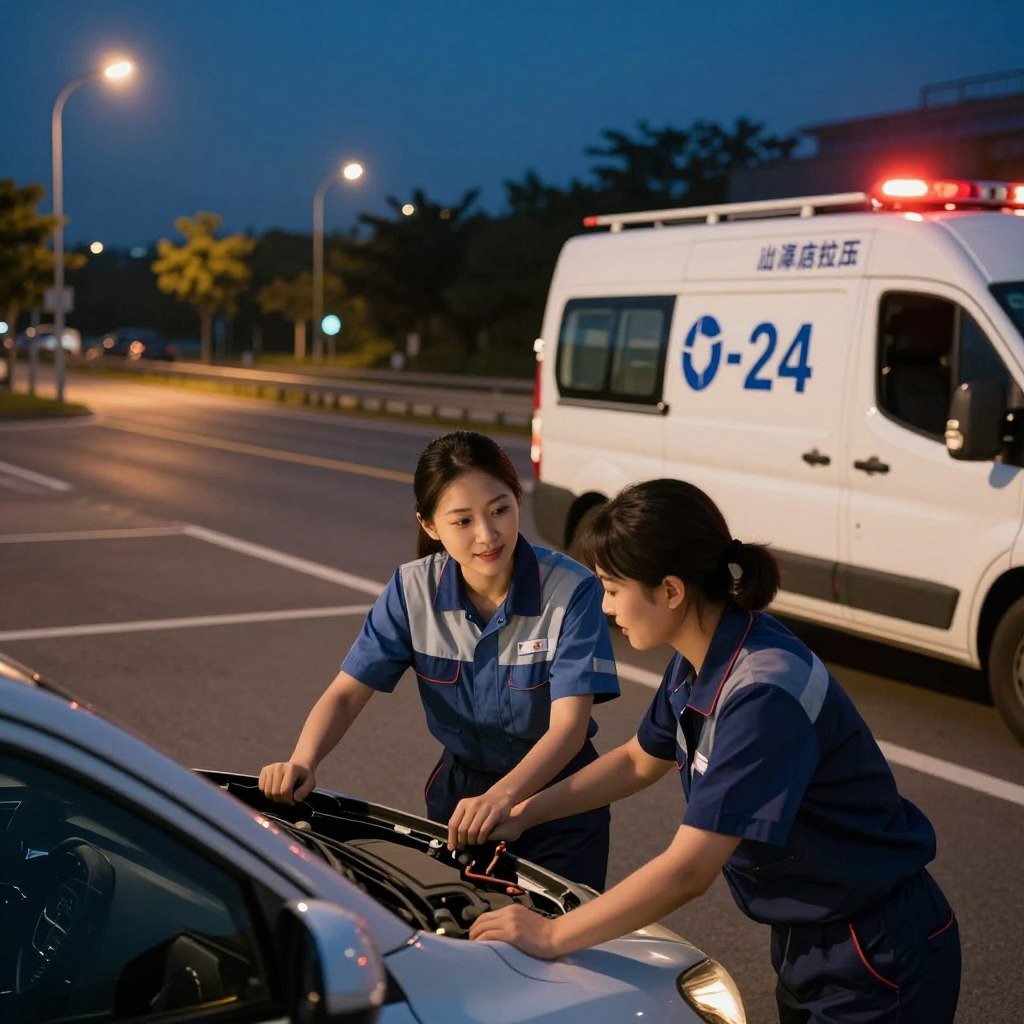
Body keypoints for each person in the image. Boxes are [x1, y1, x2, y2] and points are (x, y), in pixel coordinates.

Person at [468, 478, 961, 1024]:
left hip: (875, 947)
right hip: (815, 936)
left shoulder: (761, 695)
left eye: (612, 588)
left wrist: (552, 934)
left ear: (671, 590)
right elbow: (638, 759)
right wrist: (523, 813)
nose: (606, 608)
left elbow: (688, 871)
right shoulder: (705, 653)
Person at [259, 430, 619, 889]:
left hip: (562, 804)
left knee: (557, 948)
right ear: (429, 525)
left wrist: (503, 797)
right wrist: (303, 761)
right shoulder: (410, 592)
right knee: (457, 936)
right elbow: (347, 693)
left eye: (499, 510)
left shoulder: (572, 590)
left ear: (517, 502)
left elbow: (568, 730)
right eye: (462, 521)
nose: (487, 535)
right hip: (460, 801)